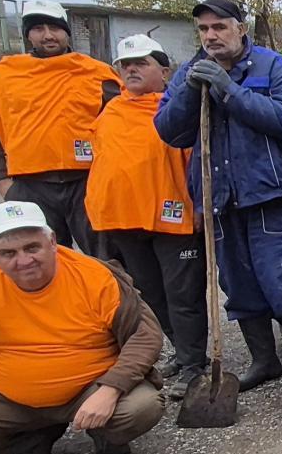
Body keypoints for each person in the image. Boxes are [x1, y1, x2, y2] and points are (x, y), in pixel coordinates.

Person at [154, 0, 282, 403]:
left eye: (219, 27)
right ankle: (264, 361)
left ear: (241, 28)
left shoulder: (273, 67)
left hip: (269, 193)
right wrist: (190, 91)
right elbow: (169, 131)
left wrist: (230, 91)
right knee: (238, 284)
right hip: (219, 196)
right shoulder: (188, 73)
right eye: (204, 29)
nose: (211, 35)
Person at [0, 201, 164, 454]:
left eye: (32, 248)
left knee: (141, 408)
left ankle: (104, 433)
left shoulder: (94, 276)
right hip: (10, 398)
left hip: (89, 388)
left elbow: (145, 335)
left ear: (52, 242)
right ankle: (34, 437)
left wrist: (110, 389)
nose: (23, 260)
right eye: (8, 253)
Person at [85, 34, 207, 401]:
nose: (132, 69)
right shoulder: (110, 113)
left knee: (182, 294)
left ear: (164, 70)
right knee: (150, 294)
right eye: (125, 65)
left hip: (173, 219)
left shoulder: (178, 110)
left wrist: (199, 207)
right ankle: (180, 352)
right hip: (123, 220)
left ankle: (193, 364)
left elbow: (197, 162)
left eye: (141, 63)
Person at [0, 0, 122, 252]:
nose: (48, 35)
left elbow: (124, 124)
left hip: (87, 182)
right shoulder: (4, 76)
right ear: (28, 35)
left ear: (66, 32)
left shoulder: (95, 73)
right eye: (38, 29)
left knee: (108, 260)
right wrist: (2, 180)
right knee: (45, 261)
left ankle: (111, 293)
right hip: (30, 185)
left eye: (55, 28)